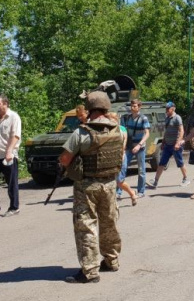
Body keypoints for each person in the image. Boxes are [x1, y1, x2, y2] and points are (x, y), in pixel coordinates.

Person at [59, 91, 124, 284]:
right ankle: (111, 261)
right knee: (109, 223)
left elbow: (64, 159)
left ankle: (89, 271)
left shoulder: (81, 132)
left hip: (87, 187)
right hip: (110, 184)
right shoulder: (118, 130)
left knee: (86, 226)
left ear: (89, 109)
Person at [148, 102, 190, 189]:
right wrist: (163, 142)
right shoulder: (167, 118)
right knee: (162, 163)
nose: (166, 110)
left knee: (180, 163)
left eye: (168, 108)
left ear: (173, 108)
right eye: (166, 108)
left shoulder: (177, 118)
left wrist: (178, 143)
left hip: (175, 145)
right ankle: (155, 182)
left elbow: (181, 131)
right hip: (167, 144)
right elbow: (166, 131)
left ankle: (186, 179)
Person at [120, 99, 150, 198]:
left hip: (140, 148)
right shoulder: (127, 118)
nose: (132, 108)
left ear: (139, 107)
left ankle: (141, 191)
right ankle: (118, 192)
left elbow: (147, 134)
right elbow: (123, 131)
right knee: (122, 168)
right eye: (132, 106)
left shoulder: (143, 118)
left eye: (135, 106)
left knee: (141, 170)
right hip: (129, 147)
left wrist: (139, 145)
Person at [110, 112, 137, 206]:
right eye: (109, 118)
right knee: (110, 181)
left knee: (120, 181)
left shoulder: (122, 129)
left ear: (117, 119)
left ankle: (132, 193)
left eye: (112, 118)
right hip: (110, 159)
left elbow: (123, 144)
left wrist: (121, 156)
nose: (111, 120)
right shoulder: (108, 130)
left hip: (120, 157)